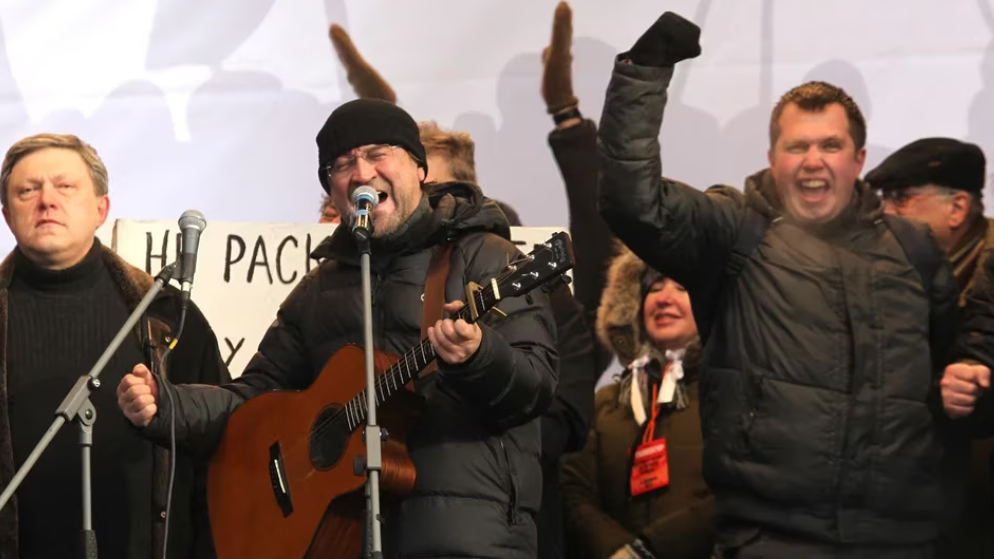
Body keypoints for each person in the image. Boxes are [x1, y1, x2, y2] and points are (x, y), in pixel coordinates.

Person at [596, 11, 987, 558]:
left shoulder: (914, 249)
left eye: (829, 146)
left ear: (858, 160)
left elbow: (955, 375)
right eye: (796, 147)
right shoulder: (734, 231)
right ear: (771, 158)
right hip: (772, 539)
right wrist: (644, 74)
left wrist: (973, 384)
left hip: (903, 542)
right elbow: (632, 204)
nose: (812, 163)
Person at [118, 98, 559, 558]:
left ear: (419, 168)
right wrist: (168, 406)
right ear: (333, 188)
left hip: (465, 540)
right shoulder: (320, 288)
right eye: (343, 164)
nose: (362, 172)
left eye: (378, 153)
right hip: (340, 540)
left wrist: (479, 356)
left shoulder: (486, 257)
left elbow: (536, 386)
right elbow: (255, 400)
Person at [0, 133, 228, 559]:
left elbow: (221, 448)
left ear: (101, 209)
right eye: (27, 190)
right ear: (7, 215)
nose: (46, 200)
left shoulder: (165, 316)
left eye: (65, 186)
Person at [865, 137, 994, 558]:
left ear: (957, 208)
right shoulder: (885, 273)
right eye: (884, 198)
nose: (886, 211)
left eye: (901, 198)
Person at [561, 246, 714, 559]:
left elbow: (745, 489)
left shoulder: (733, 394)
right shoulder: (605, 406)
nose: (664, 298)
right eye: (653, 288)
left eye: (682, 288)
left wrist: (654, 548)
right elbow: (573, 491)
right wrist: (620, 551)